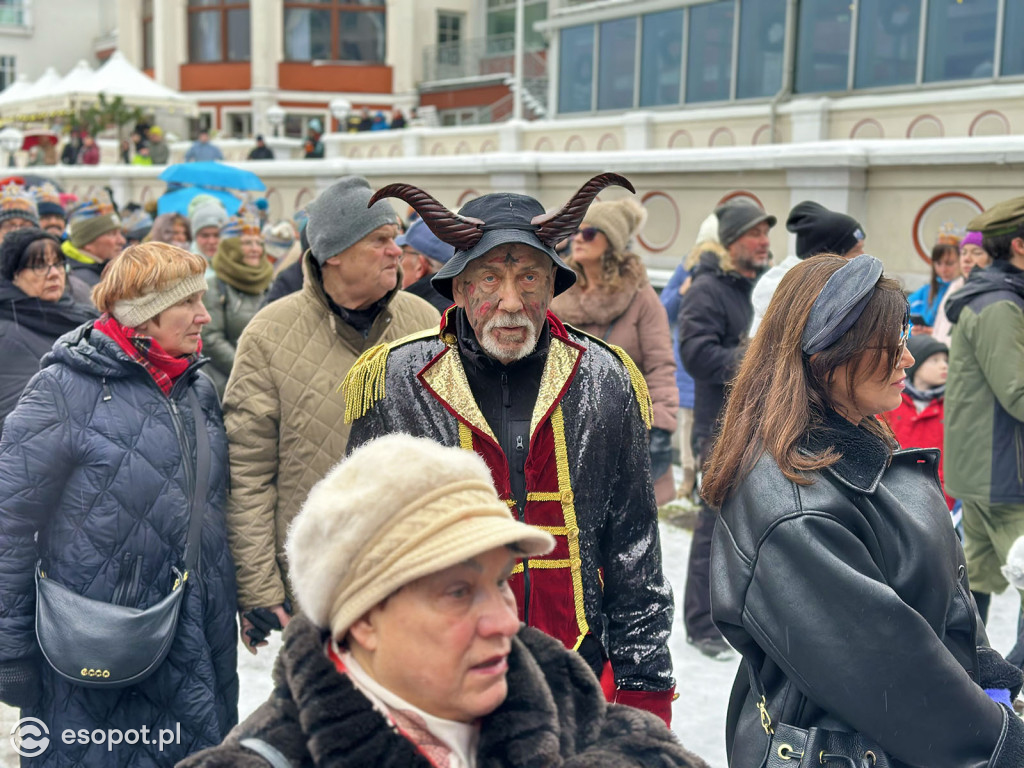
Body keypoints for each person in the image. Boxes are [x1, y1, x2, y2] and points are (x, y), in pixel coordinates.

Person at [344, 174, 677, 725]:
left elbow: (634, 551)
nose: (510, 300)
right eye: (489, 277)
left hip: (576, 674)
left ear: (552, 285)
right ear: (457, 285)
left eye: (529, 277)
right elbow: (361, 543)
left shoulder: (606, 378)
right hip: (437, 675)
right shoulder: (394, 380)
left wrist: (645, 687)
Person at [181, 435, 708, 768]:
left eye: (502, 582)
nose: (507, 621)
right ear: (362, 620)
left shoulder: (563, 698)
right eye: (458, 592)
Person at [703, 253, 1024, 768]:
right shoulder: (796, 507)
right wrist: (1002, 745)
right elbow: (896, 676)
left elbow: (943, 588)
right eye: (889, 343)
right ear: (826, 353)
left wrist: (988, 670)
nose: (908, 358)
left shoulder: (855, 437)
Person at [0, 243, 239, 766]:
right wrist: (11, 647)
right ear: (143, 315)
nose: (204, 315)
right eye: (190, 303)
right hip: (101, 644)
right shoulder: (62, 389)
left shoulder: (197, 388)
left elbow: (217, 507)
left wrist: (245, 597)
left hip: (204, 634)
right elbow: (9, 521)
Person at [222, 176, 439, 654]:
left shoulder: (425, 323)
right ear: (334, 253)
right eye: (381, 240)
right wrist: (259, 588)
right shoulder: (268, 335)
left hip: (414, 572)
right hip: (315, 584)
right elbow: (247, 474)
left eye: (396, 239)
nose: (395, 251)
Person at [678, 197, 775, 659]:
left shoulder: (753, 287)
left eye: (766, 234)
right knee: (713, 527)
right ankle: (701, 624)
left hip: (755, 424)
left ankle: (739, 617)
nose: (764, 242)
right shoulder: (707, 289)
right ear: (733, 240)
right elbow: (695, 355)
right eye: (755, 234)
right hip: (718, 428)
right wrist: (755, 356)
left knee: (749, 528)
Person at [550, 196, 678, 505]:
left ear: (613, 241)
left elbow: (660, 365)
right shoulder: (558, 291)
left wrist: (661, 425)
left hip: (626, 431)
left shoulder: (640, 297)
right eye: (576, 232)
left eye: (590, 232)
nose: (578, 239)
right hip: (568, 430)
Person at [944, 196, 1024, 627]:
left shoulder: (999, 296)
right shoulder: (999, 305)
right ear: (1019, 246)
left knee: (978, 578)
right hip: (1003, 472)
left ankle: (982, 679)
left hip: (989, 467)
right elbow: (1018, 392)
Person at [0, 228, 96, 432]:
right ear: (14, 275)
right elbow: (18, 423)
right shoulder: (6, 332)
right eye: (39, 265)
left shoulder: (84, 316)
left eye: (58, 264)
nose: (54, 273)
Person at [661, 214, 721, 504]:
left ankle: (708, 480)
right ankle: (688, 479)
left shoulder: (732, 271)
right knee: (687, 424)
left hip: (717, 364)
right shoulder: (687, 265)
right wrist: (682, 292)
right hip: (687, 363)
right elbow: (664, 310)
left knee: (714, 424)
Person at [750, 200, 865, 336]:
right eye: (856, 250)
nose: (863, 255)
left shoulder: (829, 289)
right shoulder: (787, 291)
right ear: (831, 256)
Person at [202, 212, 273, 397]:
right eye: (247, 243)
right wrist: (247, 371)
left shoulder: (269, 285)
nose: (255, 249)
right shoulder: (214, 288)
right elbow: (211, 338)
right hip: (229, 387)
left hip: (268, 386)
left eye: (259, 243)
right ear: (230, 248)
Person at [881, 334, 954, 508]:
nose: (944, 366)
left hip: (942, 495)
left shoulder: (953, 403)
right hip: (897, 493)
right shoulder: (890, 402)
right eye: (934, 360)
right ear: (916, 363)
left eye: (945, 360)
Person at [932, 229, 991, 346]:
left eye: (976, 252)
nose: (966, 259)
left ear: (991, 259)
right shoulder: (956, 286)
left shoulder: (991, 293)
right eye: (963, 253)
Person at [60, 197, 126, 299]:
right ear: (87, 242)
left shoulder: (101, 270)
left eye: (120, 233)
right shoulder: (82, 280)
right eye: (112, 234)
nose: (122, 241)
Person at [398, 216, 454, 312]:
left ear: (420, 267)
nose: (397, 263)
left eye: (401, 256)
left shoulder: (413, 313)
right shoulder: (459, 306)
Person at [908, 241, 960, 334]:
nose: (943, 269)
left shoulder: (965, 292)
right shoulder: (925, 291)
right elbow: (902, 320)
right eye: (938, 263)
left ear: (961, 262)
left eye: (949, 263)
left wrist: (936, 334)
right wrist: (911, 332)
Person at [190, 198, 229, 264]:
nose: (211, 242)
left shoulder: (241, 267)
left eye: (217, 235)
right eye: (205, 236)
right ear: (195, 237)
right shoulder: (183, 271)